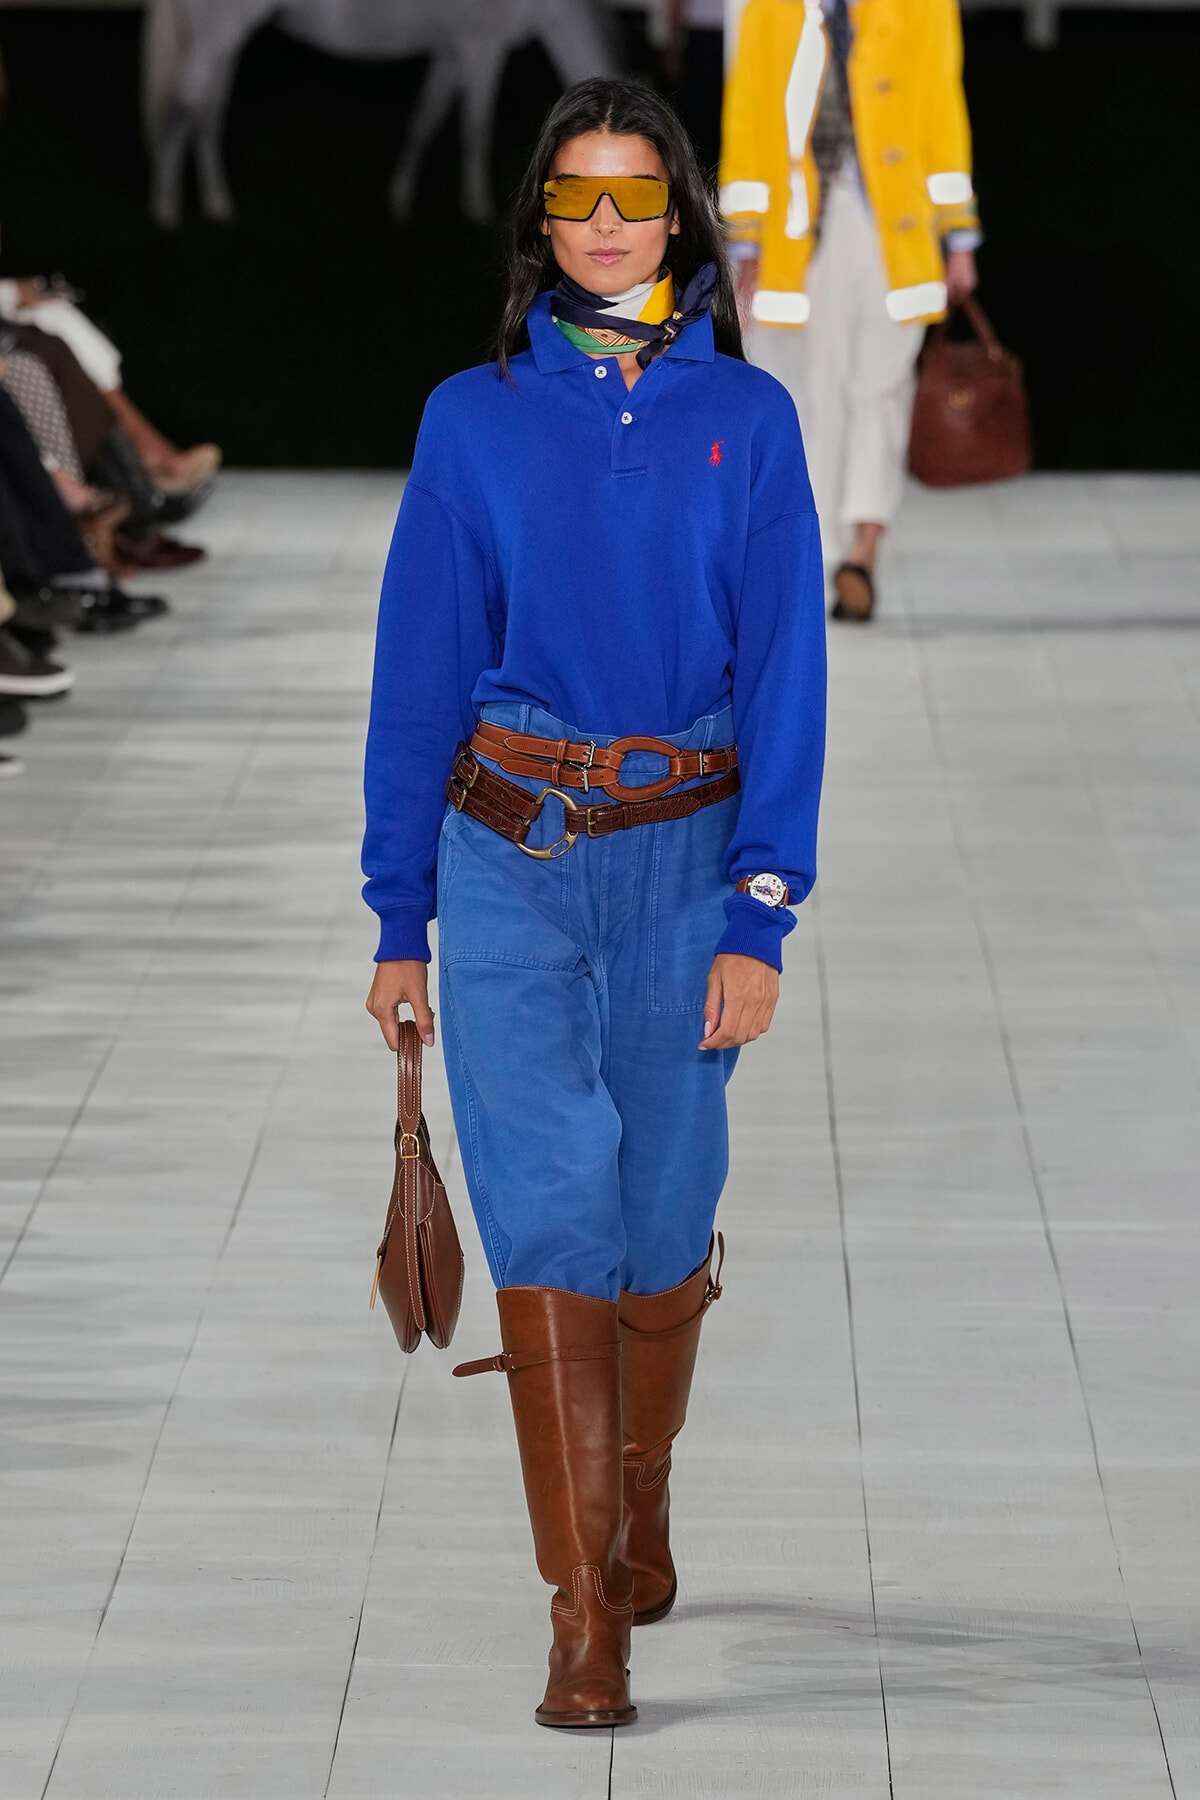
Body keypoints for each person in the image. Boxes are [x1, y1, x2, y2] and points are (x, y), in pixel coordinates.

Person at [362, 78, 826, 1729]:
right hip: (509, 853)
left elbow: (787, 674)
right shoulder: (471, 418)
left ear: (682, 215)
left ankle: (638, 1494)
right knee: (550, 1197)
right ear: (543, 221)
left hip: (691, 860)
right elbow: (417, 671)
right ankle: (585, 1616)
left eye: (639, 195)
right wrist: (396, 916)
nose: (611, 224)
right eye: (580, 197)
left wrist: (761, 918)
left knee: (662, 1201)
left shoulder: (748, 419)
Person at [720, 0, 981, 620]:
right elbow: (750, 116)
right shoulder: (771, 9)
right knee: (818, 391)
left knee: (881, 388)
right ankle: (828, 552)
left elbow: (943, 108)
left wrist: (959, 234)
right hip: (804, 229)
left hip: (898, 227)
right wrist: (747, 241)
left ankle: (861, 550)